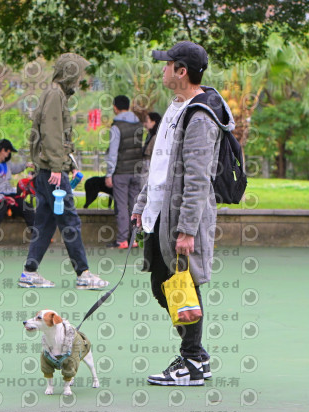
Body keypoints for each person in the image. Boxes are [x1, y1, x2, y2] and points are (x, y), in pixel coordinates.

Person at [131, 41, 234, 386]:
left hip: (180, 218)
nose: (162, 69)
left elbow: (198, 177)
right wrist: (142, 205)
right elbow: (160, 167)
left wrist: (187, 229)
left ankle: (192, 359)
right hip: (161, 213)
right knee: (164, 285)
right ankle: (196, 357)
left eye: (167, 64)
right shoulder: (176, 106)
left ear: (182, 71)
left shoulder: (200, 115)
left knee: (181, 284)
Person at [19, 53, 109, 290]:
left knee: (45, 223)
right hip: (53, 172)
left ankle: (30, 272)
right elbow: (51, 133)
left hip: (47, 170)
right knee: (69, 219)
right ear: (70, 73)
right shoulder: (55, 95)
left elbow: (53, 135)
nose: (79, 80)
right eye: (78, 74)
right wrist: (58, 167)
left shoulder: (54, 94)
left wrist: (66, 162)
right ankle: (83, 273)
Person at [104, 95, 144, 249]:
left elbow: (113, 153)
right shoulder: (138, 124)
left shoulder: (116, 127)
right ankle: (134, 239)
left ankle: (122, 240)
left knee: (121, 206)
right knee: (134, 206)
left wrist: (109, 173)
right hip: (136, 171)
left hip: (121, 172)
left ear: (115, 107)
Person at [0, 139, 35, 246]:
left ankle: (37, 234)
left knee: (25, 206)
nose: (9, 155)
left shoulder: (6, 163)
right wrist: (2, 197)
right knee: (1, 207)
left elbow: (15, 168)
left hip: (9, 193)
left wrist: (26, 165)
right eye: (9, 152)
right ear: (3, 150)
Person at [140, 111, 161, 182]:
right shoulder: (149, 136)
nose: (144, 124)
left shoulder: (156, 138)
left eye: (147, 121)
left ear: (153, 122)